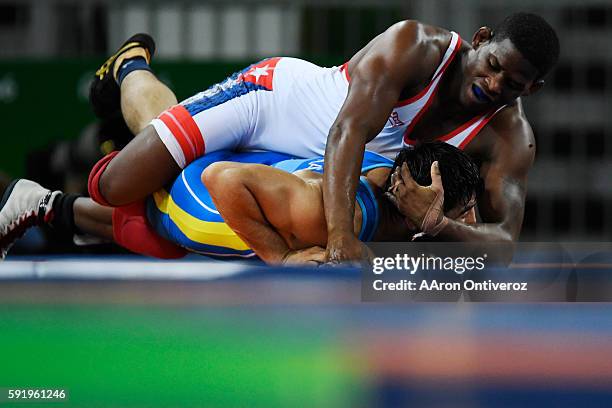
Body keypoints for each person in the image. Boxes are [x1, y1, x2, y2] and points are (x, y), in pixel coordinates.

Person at [4, 13, 560, 262]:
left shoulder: (511, 139)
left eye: (512, 85)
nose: (492, 85)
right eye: (491, 66)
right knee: (116, 184)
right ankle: (130, 68)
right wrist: (342, 236)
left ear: (532, 89)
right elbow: (348, 130)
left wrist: (438, 226)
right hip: (270, 103)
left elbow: (504, 243)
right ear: (481, 39)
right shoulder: (416, 45)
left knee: (187, 226)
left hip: (311, 162)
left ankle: (47, 207)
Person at [0, 142, 480, 264]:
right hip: (206, 194)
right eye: (459, 212)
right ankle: (130, 74)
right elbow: (222, 180)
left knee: (175, 132)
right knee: (160, 231)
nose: (471, 223)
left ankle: (45, 203)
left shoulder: (388, 168)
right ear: (422, 196)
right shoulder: (333, 214)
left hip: (251, 164)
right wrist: (281, 256)